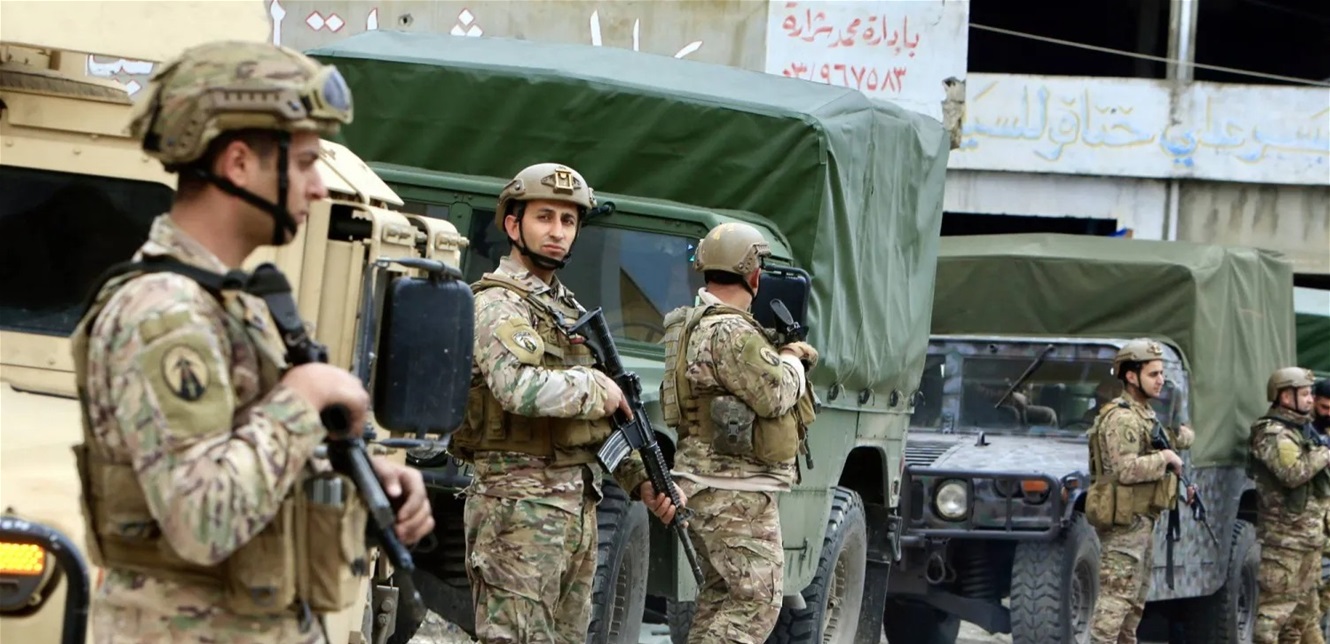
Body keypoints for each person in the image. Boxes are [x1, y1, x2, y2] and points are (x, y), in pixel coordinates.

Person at [70, 40, 434, 643]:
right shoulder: (163, 313)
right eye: (307, 162)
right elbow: (202, 520)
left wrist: (361, 479)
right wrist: (301, 398)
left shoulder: (224, 301)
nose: (318, 187)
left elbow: (237, 457)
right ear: (239, 163)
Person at [450, 162, 681, 642]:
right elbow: (516, 387)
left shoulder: (566, 308)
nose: (558, 231)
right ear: (513, 225)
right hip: (517, 508)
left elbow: (596, 426)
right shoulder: (497, 304)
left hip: (575, 507)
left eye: (568, 221)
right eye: (545, 217)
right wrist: (597, 388)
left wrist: (641, 478)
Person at [658, 222, 819, 643]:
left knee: (721, 597)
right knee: (757, 603)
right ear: (754, 275)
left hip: (704, 485)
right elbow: (776, 394)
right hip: (733, 490)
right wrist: (792, 358)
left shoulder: (691, 324)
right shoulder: (730, 331)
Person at [1085, 339, 1195, 644]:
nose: (1160, 380)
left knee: (1131, 609)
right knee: (1113, 607)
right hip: (1124, 525)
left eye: (1162, 374)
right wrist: (1165, 458)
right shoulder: (1122, 418)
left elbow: (1180, 437)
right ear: (1131, 376)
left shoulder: (1145, 415)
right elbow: (1125, 469)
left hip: (1141, 522)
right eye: (1153, 374)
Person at [1250, 367, 1329, 644]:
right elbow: (1293, 473)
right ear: (1285, 397)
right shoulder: (1272, 433)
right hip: (1284, 543)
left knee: (1300, 620)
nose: (1310, 400)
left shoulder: (1302, 431)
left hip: (1309, 540)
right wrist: (1326, 451)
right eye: (1304, 394)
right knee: (1273, 618)